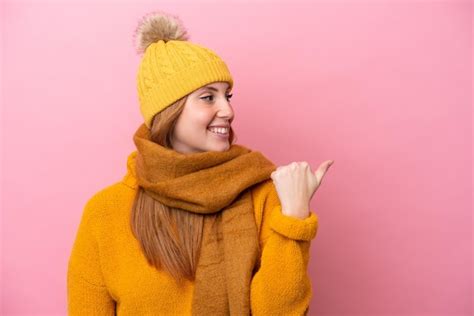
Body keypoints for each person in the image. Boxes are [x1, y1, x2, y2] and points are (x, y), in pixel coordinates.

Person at [66, 10, 333, 316]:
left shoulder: (262, 194)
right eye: (208, 98)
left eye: (228, 96)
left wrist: (294, 218)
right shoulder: (105, 212)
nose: (228, 111)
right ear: (169, 111)